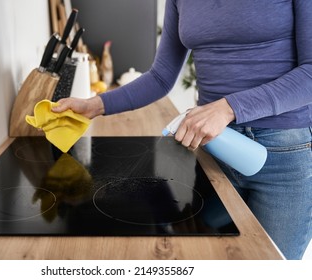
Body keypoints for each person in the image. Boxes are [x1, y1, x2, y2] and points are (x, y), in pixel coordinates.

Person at [52, 0, 312, 259]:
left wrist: (228, 108)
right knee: (215, 263)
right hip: (215, 149)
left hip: (283, 155)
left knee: (275, 267)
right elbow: (161, 76)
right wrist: (95, 105)